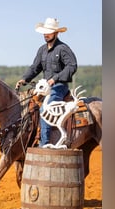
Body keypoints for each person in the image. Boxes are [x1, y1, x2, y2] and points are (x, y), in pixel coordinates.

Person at [16, 17, 78, 147]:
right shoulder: (42, 50)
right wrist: (24, 79)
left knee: (45, 108)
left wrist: (55, 78)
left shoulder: (62, 48)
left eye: (49, 32)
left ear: (56, 33)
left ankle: (44, 143)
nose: (46, 34)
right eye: (45, 32)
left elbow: (72, 66)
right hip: (44, 87)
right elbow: (35, 68)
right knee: (28, 105)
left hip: (59, 87)